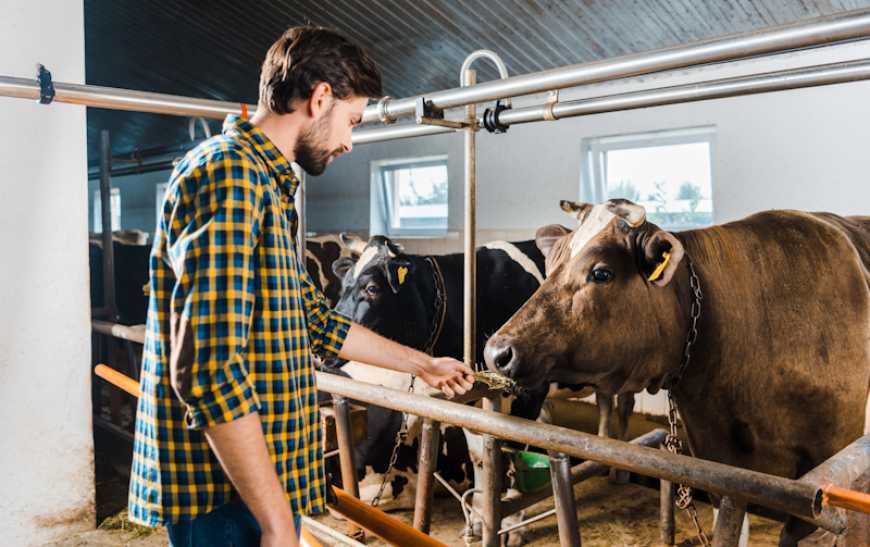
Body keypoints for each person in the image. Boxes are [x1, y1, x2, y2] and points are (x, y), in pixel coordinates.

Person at [127, 26, 475, 547]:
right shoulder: (232, 175)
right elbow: (206, 366)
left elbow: (312, 320)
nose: (349, 142)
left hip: (258, 481)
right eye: (352, 121)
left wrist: (420, 364)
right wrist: (273, 521)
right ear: (320, 98)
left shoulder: (264, 183)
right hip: (230, 495)